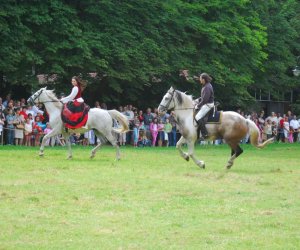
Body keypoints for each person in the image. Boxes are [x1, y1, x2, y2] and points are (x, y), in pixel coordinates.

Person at [194, 73, 214, 139]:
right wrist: (197, 100)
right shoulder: (206, 86)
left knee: (197, 117)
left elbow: (205, 100)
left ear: (203, 79)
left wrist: (198, 106)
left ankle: (205, 134)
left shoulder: (207, 87)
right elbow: (203, 97)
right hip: (206, 104)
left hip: (208, 105)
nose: (199, 80)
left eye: (200, 79)